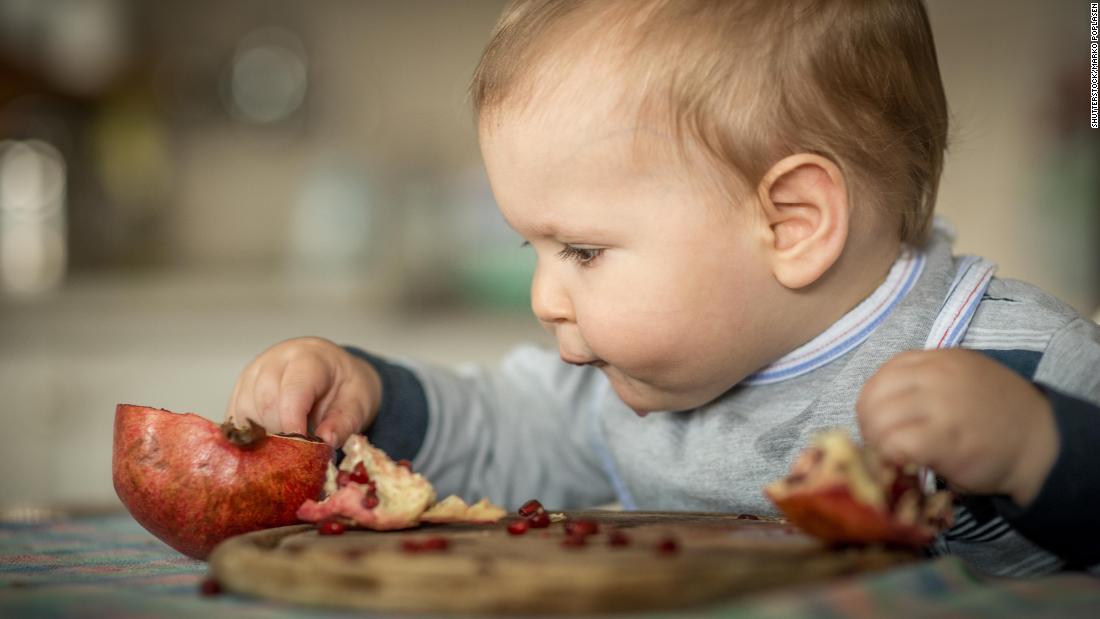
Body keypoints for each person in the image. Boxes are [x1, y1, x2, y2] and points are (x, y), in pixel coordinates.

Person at [226, 0, 1100, 576]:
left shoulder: (1027, 360)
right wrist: (369, 393)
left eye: (583, 251)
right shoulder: (628, 388)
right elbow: (500, 429)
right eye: (532, 246)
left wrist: (1037, 447)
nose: (544, 297)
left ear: (792, 223)